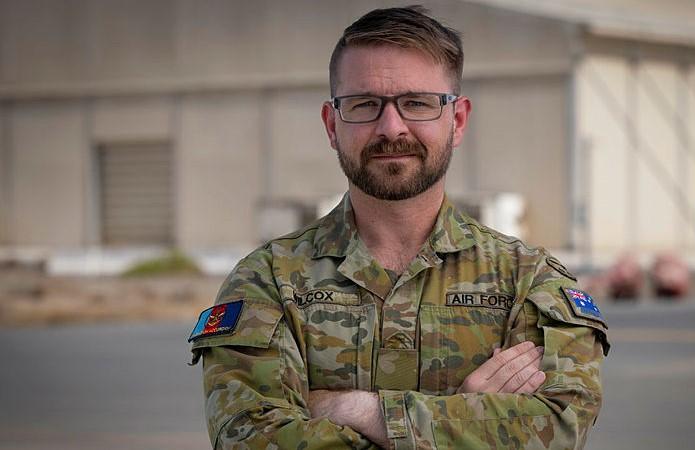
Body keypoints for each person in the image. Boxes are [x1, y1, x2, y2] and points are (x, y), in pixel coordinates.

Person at [188, 6, 609, 449]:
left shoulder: (528, 280)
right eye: (364, 104)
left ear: (458, 120)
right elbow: (251, 440)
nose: (391, 127)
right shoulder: (268, 281)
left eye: (417, 103)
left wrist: (358, 410)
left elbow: (557, 429)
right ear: (332, 125)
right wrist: (463, 416)